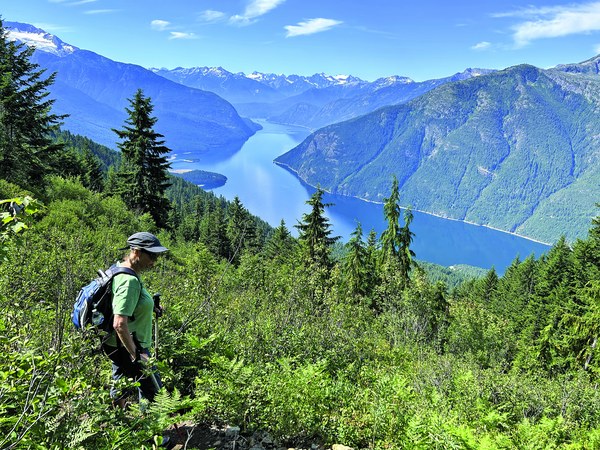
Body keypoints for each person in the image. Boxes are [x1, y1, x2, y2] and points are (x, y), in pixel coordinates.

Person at [102, 231, 168, 409]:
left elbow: (126, 305)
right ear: (136, 252)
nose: (154, 262)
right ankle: (151, 435)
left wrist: (150, 307)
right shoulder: (129, 281)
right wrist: (136, 355)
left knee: (120, 381)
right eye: (152, 255)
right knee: (153, 391)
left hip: (117, 344)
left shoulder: (120, 269)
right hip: (132, 344)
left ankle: (118, 422)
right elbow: (119, 323)